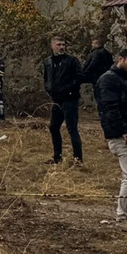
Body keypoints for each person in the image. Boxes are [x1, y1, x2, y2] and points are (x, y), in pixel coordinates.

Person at [95, 48, 127, 227]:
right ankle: (123, 216)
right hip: (123, 136)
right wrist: (124, 130)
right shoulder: (109, 79)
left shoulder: (123, 81)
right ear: (120, 59)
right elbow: (110, 108)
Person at [43, 36, 84, 166]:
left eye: (63, 45)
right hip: (56, 99)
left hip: (69, 99)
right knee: (54, 127)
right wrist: (48, 89)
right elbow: (46, 78)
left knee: (72, 128)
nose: (61, 47)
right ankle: (57, 158)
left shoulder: (71, 60)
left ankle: (78, 159)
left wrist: (69, 89)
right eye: (58, 44)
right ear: (52, 46)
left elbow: (79, 77)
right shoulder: (48, 61)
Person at [82, 37, 114, 107]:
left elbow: (93, 64)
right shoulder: (107, 53)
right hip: (105, 77)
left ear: (97, 44)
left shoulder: (96, 52)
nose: (92, 45)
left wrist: (85, 73)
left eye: (93, 43)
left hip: (96, 77)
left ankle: (102, 112)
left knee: (98, 96)